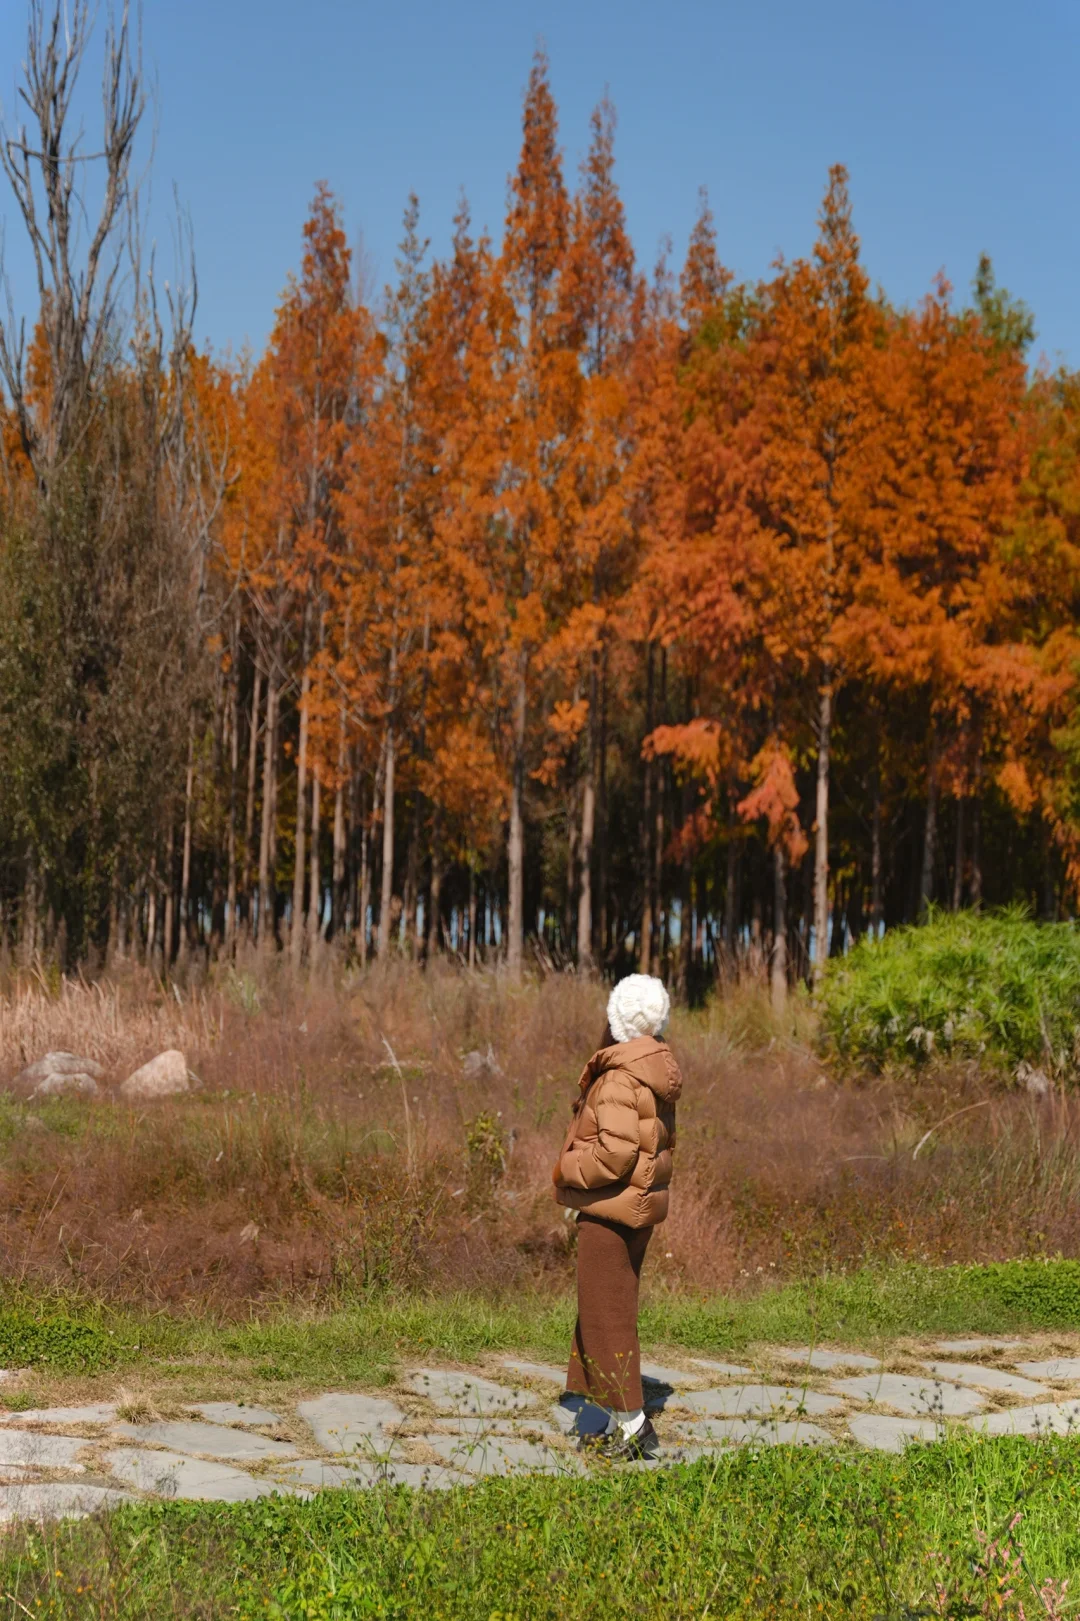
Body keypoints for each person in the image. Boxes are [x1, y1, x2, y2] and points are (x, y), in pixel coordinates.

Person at [551, 973, 681, 1459]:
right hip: (636, 1209)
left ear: (616, 1019)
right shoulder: (653, 1067)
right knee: (599, 1310)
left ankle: (633, 1427)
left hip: (610, 1212)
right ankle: (598, 1417)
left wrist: (566, 1167)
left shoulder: (619, 1078)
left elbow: (615, 1156)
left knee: (608, 1317)